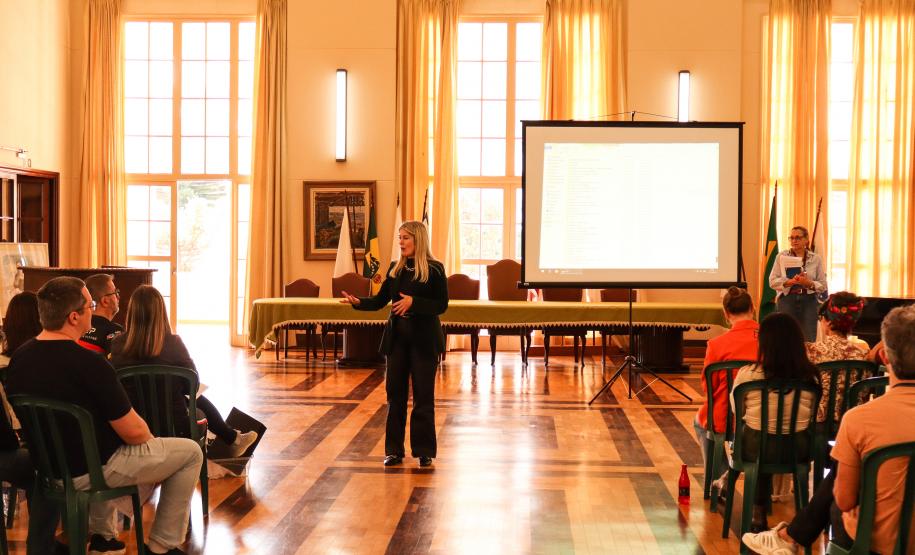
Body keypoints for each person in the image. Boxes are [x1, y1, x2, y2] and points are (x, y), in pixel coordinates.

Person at [6, 276, 202, 555]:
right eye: (91, 305)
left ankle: (105, 537)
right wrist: (149, 444)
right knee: (190, 452)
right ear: (74, 317)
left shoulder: (20, 360)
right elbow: (134, 433)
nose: (94, 309)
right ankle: (162, 546)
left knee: (102, 447)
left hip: (48, 468)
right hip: (93, 469)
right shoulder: (91, 364)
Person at [742, 304, 915, 554]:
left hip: (881, 543)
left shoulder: (860, 420)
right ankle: (789, 536)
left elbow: (844, 499)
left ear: (886, 358)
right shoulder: (860, 353)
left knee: (839, 502)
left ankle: (790, 537)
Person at [340, 221, 448, 468]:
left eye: (406, 238)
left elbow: (441, 305)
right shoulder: (394, 269)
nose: (401, 242)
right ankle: (393, 451)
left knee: (423, 397)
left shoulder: (435, 269)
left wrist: (414, 303)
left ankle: (424, 451)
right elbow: (379, 301)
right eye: (399, 238)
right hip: (397, 340)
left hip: (424, 341)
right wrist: (359, 302)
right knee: (395, 397)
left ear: (418, 240)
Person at [110, 285, 258, 457]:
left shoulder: (118, 344)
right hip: (174, 426)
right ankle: (231, 439)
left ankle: (233, 438)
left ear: (132, 313)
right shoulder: (174, 343)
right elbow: (192, 386)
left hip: (132, 424)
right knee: (196, 399)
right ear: (161, 312)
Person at [730, 312, 820, 531]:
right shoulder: (811, 377)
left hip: (755, 448)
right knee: (771, 438)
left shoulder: (748, 375)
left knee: (757, 438)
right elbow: (812, 416)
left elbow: (736, 409)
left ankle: (758, 510)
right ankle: (801, 519)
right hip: (798, 449)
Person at [0, 291, 61, 554]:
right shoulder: (35, 365)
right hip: (11, 447)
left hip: (12, 441)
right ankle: (42, 545)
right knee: (50, 465)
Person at [693, 286, 759, 466]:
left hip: (726, 418)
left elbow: (708, 388)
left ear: (726, 313)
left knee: (700, 421)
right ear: (752, 308)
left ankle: (720, 477)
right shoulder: (770, 340)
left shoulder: (716, 345)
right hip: (763, 419)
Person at [805, 292, 868, 422]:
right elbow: (865, 392)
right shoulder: (864, 355)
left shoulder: (811, 351)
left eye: (821, 317)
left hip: (818, 424)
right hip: (853, 423)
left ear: (828, 322)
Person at [768, 226, 827, 341]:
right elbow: (772, 281)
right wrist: (789, 282)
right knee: (785, 337)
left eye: (798, 238)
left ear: (806, 240)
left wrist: (809, 283)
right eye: (791, 238)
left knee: (808, 338)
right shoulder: (781, 256)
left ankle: (806, 359)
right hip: (787, 299)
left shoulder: (816, 259)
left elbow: (823, 285)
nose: (794, 241)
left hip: (809, 300)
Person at [78, 273, 124, 355]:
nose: (118, 297)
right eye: (115, 292)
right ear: (105, 301)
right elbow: (116, 364)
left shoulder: (75, 326)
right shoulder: (115, 331)